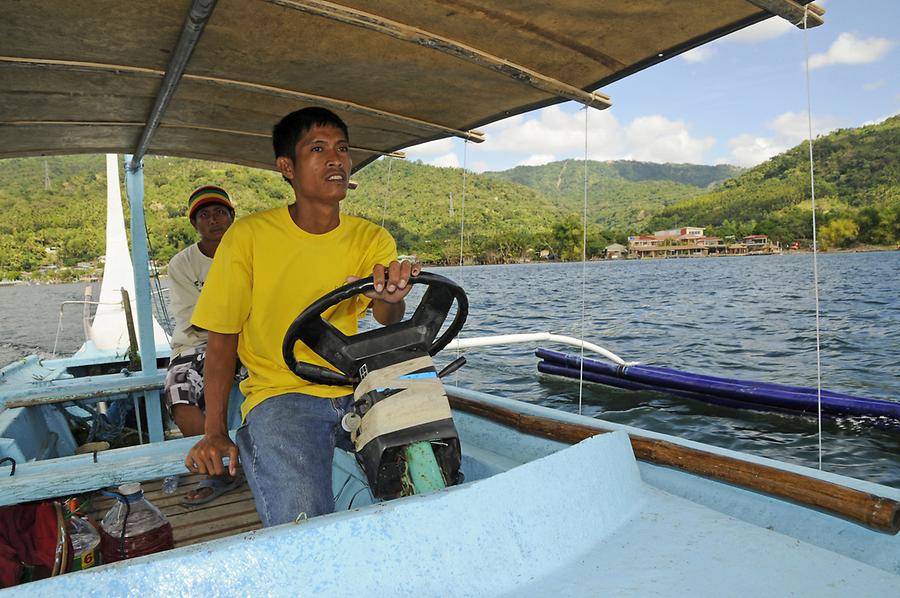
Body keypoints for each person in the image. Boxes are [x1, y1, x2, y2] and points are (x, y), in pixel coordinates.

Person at [184, 107, 419, 526]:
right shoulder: (249, 237)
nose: (336, 159)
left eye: (342, 149)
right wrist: (213, 431)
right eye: (318, 148)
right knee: (301, 521)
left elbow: (387, 316)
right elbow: (222, 342)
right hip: (280, 395)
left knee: (427, 467)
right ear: (286, 167)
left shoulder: (371, 238)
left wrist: (392, 294)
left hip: (356, 385)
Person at [164, 185, 241, 505]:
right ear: (195, 224)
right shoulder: (182, 264)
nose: (214, 220)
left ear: (232, 218)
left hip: (249, 341)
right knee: (177, 391)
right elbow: (196, 320)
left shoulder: (250, 253)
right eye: (205, 215)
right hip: (197, 345)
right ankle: (220, 473)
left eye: (221, 212)